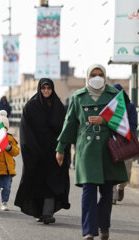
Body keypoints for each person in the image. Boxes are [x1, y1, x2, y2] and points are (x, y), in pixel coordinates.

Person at [56, 64, 128, 240]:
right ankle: (89, 230)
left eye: (100, 74)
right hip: (86, 150)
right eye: (93, 74)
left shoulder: (114, 96)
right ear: (87, 77)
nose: (97, 77)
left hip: (108, 149)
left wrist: (104, 121)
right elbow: (70, 123)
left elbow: (122, 123)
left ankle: (104, 226)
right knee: (88, 192)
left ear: (105, 76)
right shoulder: (78, 97)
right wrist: (60, 147)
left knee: (106, 192)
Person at [14, 78, 70, 224]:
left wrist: (62, 148)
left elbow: (65, 128)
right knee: (37, 182)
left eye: (49, 88)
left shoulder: (58, 106)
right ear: (39, 89)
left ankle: (47, 213)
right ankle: (40, 211)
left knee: (52, 182)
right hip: (36, 152)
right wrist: (33, 150)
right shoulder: (31, 106)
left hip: (54, 151)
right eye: (43, 88)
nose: (46, 91)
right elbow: (26, 130)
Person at [0, 110, 20, 211]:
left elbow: (16, 151)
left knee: (7, 187)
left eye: (5, 127)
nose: (3, 128)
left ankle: (4, 202)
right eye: (0, 126)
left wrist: (9, 148)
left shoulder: (10, 138)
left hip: (8, 168)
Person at [112, 83, 138, 204]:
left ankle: (121, 187)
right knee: (111, 169)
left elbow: (133, 123)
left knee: (126, 170)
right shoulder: (109, 108)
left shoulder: (130, 106)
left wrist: (127, 134)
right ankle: (113, 195)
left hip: (127, 141)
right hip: (112, 142)